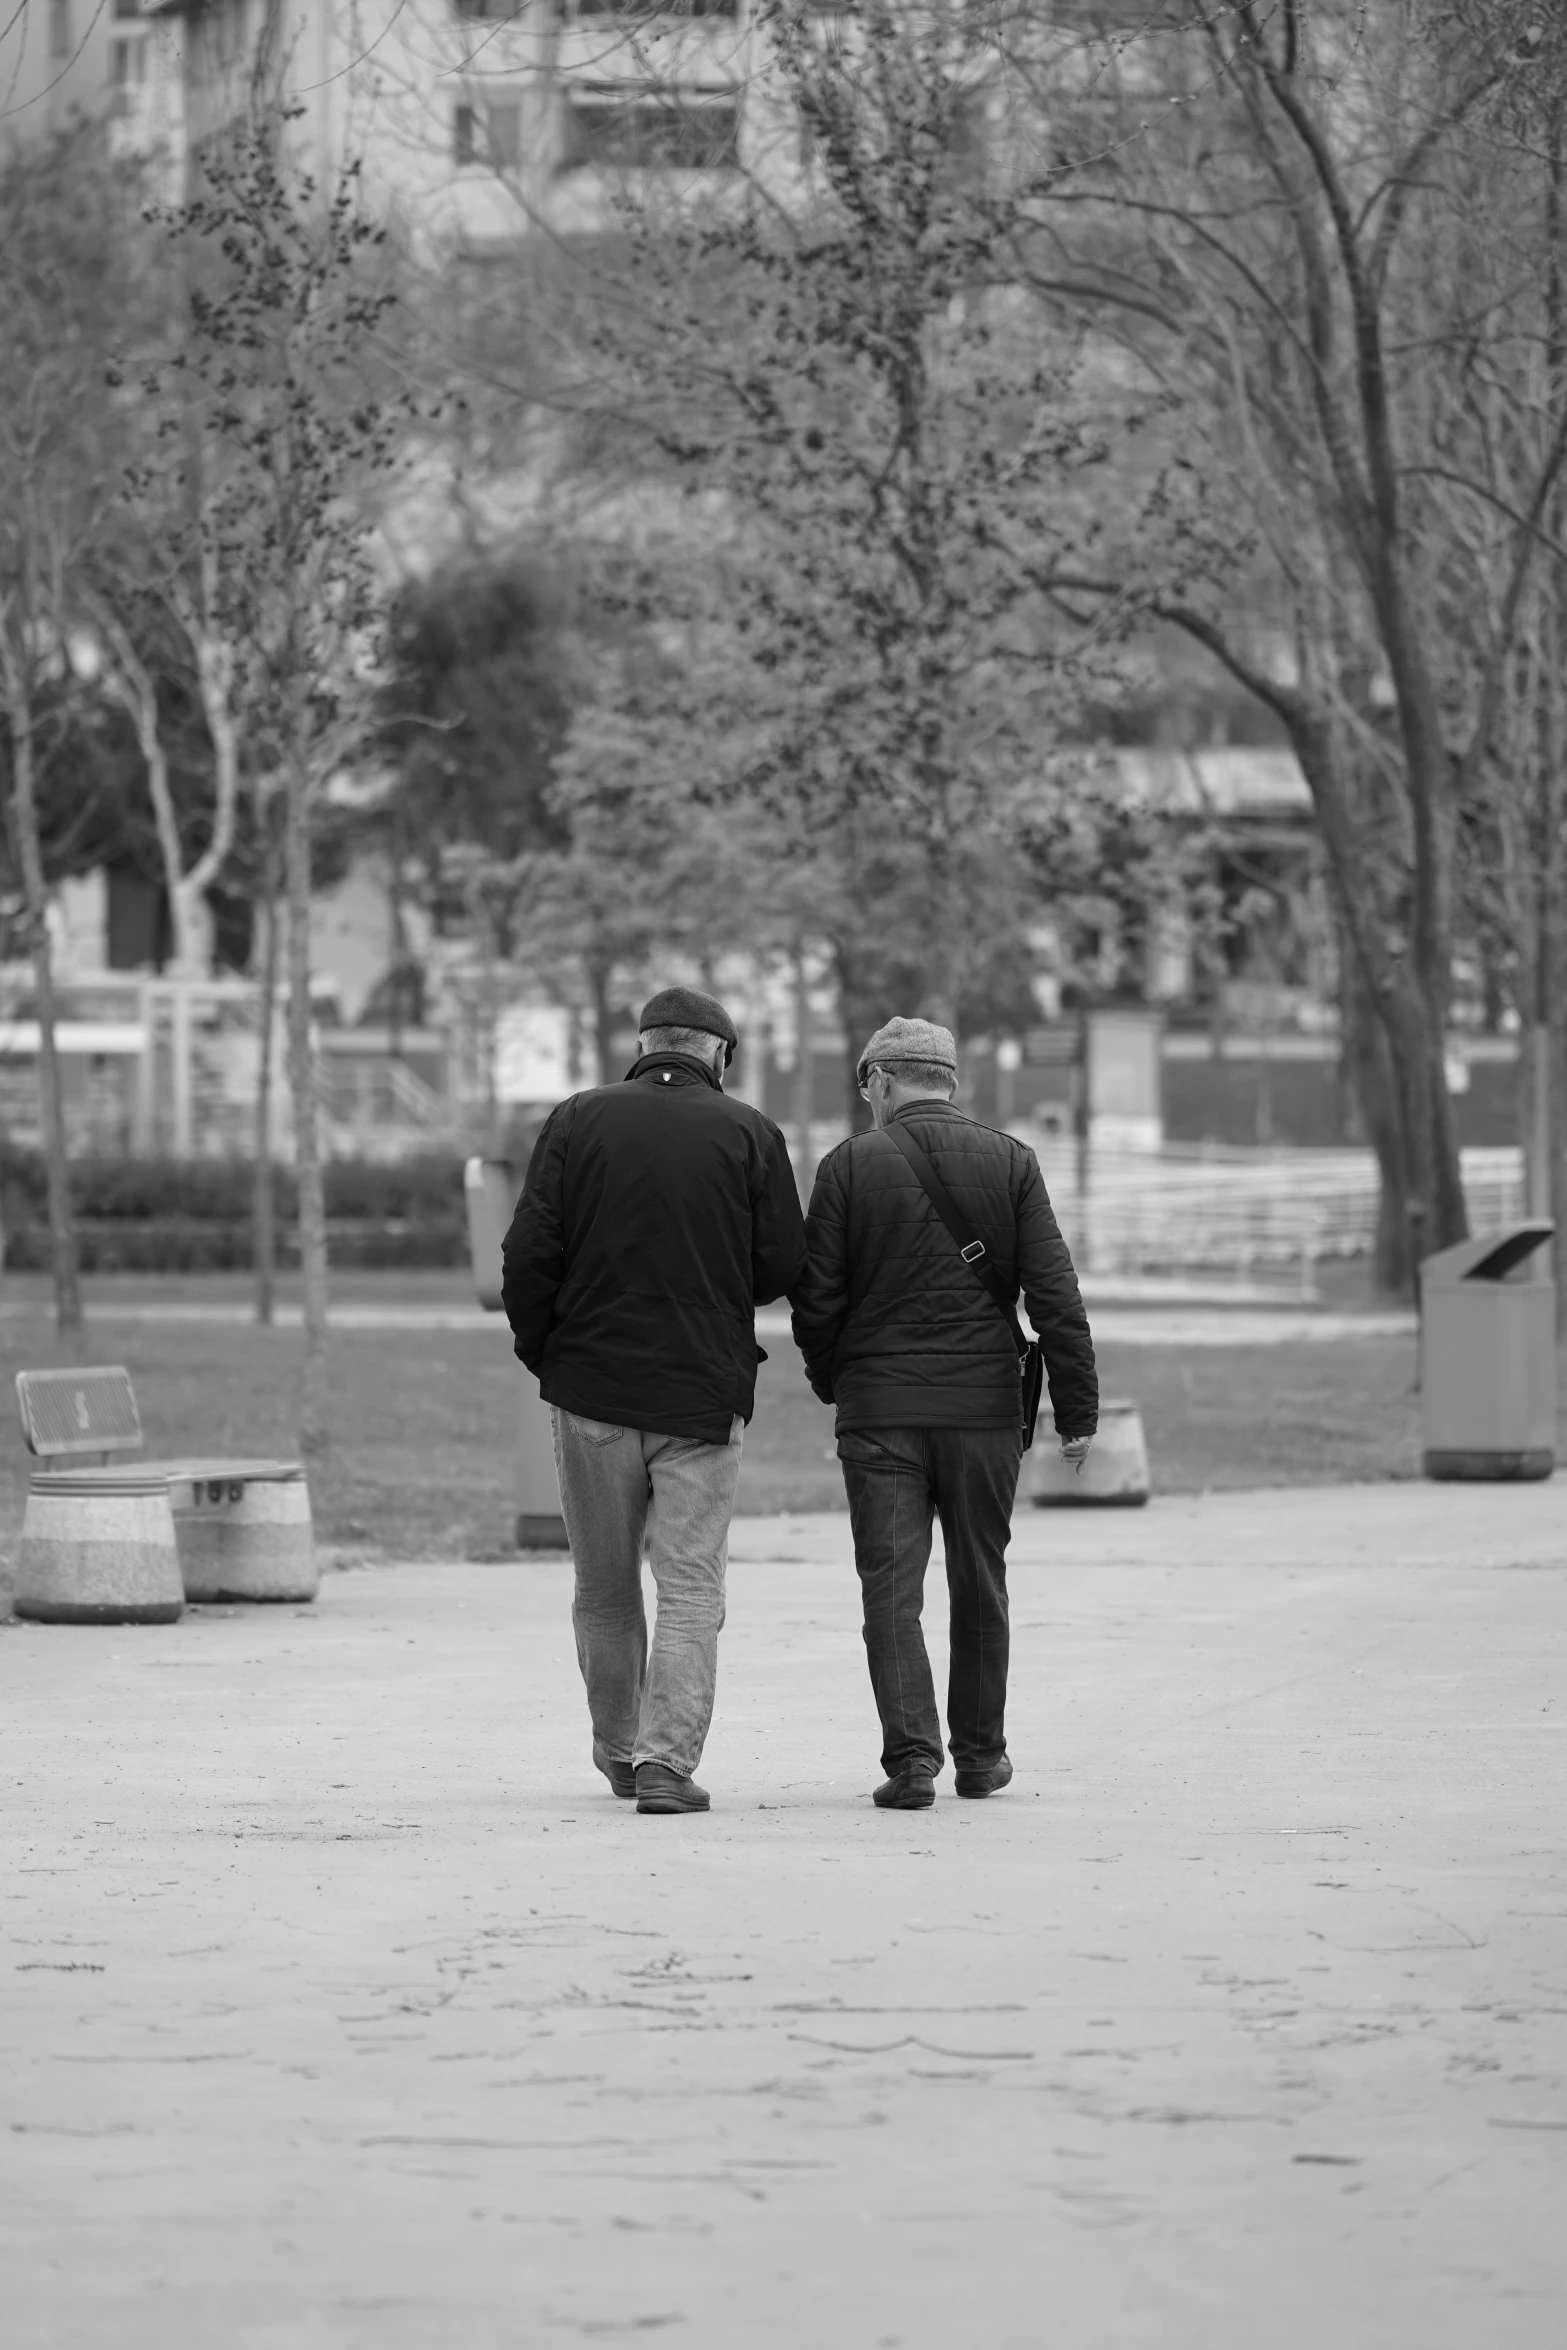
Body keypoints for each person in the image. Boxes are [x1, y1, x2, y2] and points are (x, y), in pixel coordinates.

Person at [501, 987, 806, 1816]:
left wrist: (549, 1358)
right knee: (689, 1587)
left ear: (643, 1046)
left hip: (590, 1390)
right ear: (718, 1054)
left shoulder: (576, 1120)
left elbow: (527, 1255)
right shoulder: (748, 1133)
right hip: (699, 1395)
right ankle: (665, 1761)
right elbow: (781, 1268)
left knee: (603, 1588)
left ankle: (617, 1753)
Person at [791, 1017, 1098, 1811]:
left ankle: (912, 1763)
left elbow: (817, 1298)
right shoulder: (1011, 1161)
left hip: (881, 1413)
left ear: (884, 1080)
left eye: (866, 1086)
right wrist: (1078, 1410)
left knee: (890, 1590)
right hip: (984, 1413)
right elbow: (1055, 1296)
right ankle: (981, 1756)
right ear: (947, 1081)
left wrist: (835, 1383)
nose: (866, 1100)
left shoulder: (848, 1167)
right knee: (979, 1579)